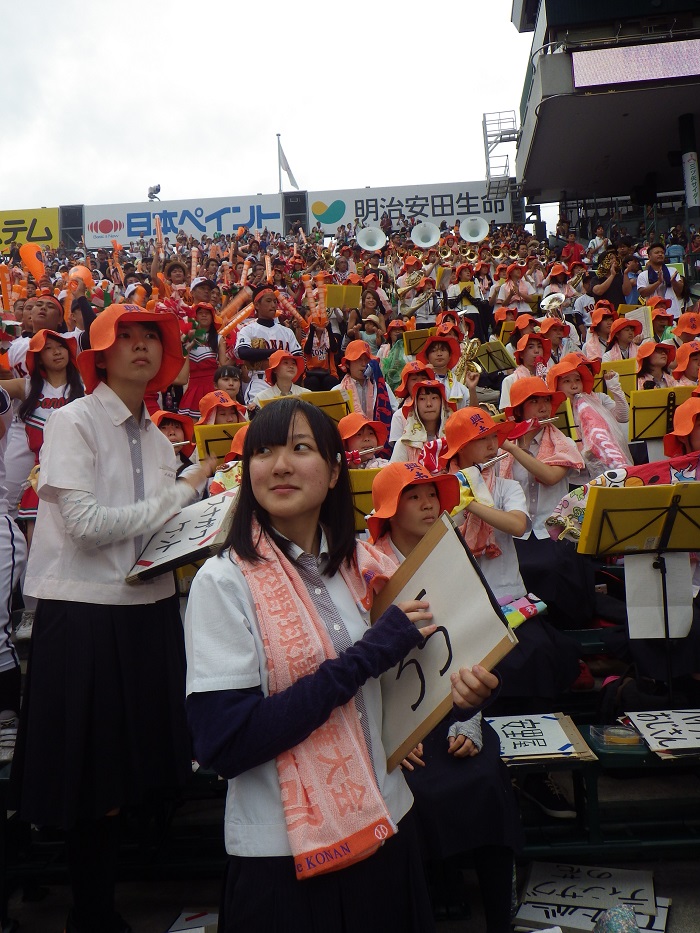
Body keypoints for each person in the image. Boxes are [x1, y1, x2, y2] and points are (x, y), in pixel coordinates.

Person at [183, 398, 497, 933]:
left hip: (387, 819)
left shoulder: (360, 566)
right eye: (263, 451)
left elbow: (393, 691)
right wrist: (368, 655)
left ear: (333, 472)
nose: (278, 464)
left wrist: (459, 692)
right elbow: (225, 743)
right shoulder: (223, 582)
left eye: (300, 448)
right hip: (284, 857)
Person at [10, 304, 216, 933]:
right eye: (124, 338)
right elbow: (90, 526)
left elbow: (154, 533)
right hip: (85, 616)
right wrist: (182, 495)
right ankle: (91, 913)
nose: (139, 347)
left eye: (150, 337)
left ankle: (111, 901)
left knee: (134, 773)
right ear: (97, 355)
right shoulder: (73, 421)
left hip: (146, 614)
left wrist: (209, 513)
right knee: (90, 781)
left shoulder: (157, 438)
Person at [368, 463, 522, 933]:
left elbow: (480, 640)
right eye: (414, 496)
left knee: (485, 779)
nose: (429, 503)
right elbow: (357, 660)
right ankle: (434, 893)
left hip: (454, 708)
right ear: (390, 509)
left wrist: (468, 718)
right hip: (390, 719)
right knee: (415, 793)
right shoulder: (365, 568)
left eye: (433, 493)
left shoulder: (455, 554)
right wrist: (392, 732)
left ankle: (501, 916)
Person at [0, 331, 84, 545]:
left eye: (61, 346)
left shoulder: (86, 388)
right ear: (37, 357)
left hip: (78, 477)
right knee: (38, 552)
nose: (57, 352)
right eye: (48, 348)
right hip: (39, 478)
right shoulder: (26, 386)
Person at [548, 355, 632, 476]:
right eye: (567, 381)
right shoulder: (552, 411)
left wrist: (615, 387)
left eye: (578, 380)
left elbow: (623, 417)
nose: (574, 386)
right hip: (573, 477)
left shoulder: (598, 399)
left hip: (604, 471)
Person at [234, 285, 302, 405]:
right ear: (257, 305)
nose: (273, 305)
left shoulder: (286, 331)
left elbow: (298, 357)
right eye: (268, 301)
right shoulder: (248, 330)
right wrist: (276, 353)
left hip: (285, 382)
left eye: (275, 301)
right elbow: (242, 352)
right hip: (260, 381)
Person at [178, 302, 226, 419]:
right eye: (200, 313)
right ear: (195, 316)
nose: (204, 315)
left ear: (212, 317)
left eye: (207, 313)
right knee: (192, 427)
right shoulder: (185, 337)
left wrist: (235, 357)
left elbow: (224, 365)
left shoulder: (219, 338)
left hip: (213, 387)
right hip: (193, 387)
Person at [390, 381, 454, 466]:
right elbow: (395, 475)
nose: (429, 404)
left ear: (442, 403)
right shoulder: (405, 443)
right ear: (415, 405)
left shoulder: (454, 440)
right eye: (422, 399)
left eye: (434, 398)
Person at [499, 333, 551, 409]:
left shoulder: (550, 376)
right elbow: (505, 411)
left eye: (539, 347)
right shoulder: (510, 381)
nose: (536, 351)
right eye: (530, 347)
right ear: (521, 355)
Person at [637, 242, 685, 319]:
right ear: (649, 256)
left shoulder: (673, 271)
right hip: (654, 315)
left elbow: (679, 291)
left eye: (662, 253)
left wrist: (673, 282)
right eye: (657, 252)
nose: (660, 254)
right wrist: (658, 282)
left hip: (673, 313)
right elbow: (643, 293)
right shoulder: (643, 275)